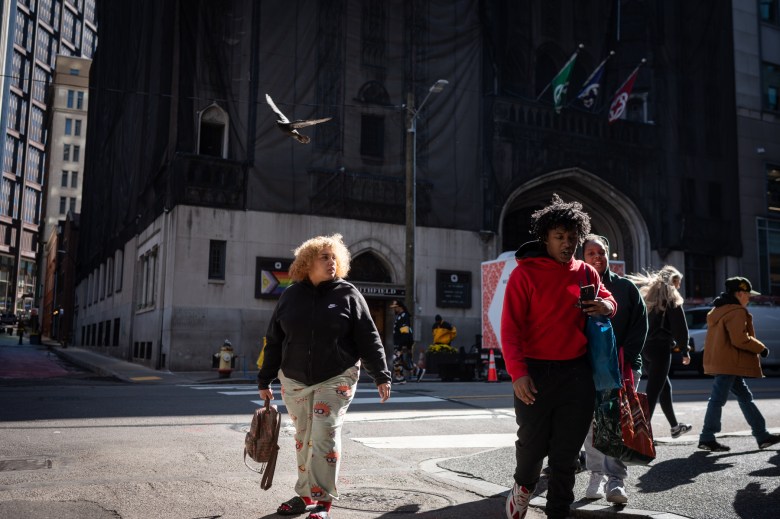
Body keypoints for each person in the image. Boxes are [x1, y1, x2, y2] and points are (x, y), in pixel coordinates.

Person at [257, 233, 392, 519]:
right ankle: (305, 494)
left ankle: (322, 502)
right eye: (324, 257)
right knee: (303, 439)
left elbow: (368, 337)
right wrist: (264, 379)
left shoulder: (348, 294)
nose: (331, 262)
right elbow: (274, 340)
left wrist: (381, 375)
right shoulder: (290, 296)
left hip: (336, 376)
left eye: (334, 257)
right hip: (294, 380)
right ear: (307, 263)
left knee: (323, 437)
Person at [501, 194, 617, 519]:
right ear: (546, 239)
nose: (567, 244)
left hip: (577, 375)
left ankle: (559, 513)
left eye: (572, 238)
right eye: (559, 237)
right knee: (532, 449)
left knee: (566, 458)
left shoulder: (587, 274)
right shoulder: (524, 275)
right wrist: (517, 373)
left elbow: (608, 299)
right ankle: (523, 486)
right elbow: (509, 329)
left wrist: (607, 306)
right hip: (534, 375)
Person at [581, 235, 648, 504]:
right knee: (590, 424)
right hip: (586, 366)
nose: (597, 257)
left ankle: (616, 481)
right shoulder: (577, 285)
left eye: (602, 252)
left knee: (618, 424)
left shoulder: (625, 287)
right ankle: (595, 474)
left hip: (624, 366)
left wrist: (626, 358)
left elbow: (640, 324)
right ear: (582, 257)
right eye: (591, 253)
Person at [697, 276, 780, 452]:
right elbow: (740, 339)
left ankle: (762, 435)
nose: (749, 298)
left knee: (744, 397)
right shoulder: (736, 311)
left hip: (724, 361)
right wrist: (761, 348)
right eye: (748, 295)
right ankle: (707, 436)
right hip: (730, 362)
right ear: (740, 293)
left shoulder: (719, 310)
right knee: (718, 399)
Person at [627, 266, 692, 438]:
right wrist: (685, 350)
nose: (678, 287)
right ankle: (640, 434)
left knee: (663, 387)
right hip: (660, 349)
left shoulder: (648, 298)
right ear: (673, 282)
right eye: (678, 283)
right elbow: (680, 329)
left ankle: (675, 426)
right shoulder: (671, 300)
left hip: (644, 348)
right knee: (652, 393)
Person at [389, 299, 414, 384]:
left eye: (395, 307)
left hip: (401, 343)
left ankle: (400, 378)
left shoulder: (404, 316)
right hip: (399, 343)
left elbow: (405, 332)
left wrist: (401, 346)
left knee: (396, 359)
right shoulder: (400, 316)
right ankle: (418, 371)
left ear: (400, 307)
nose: (394, 309)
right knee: (401, 361)